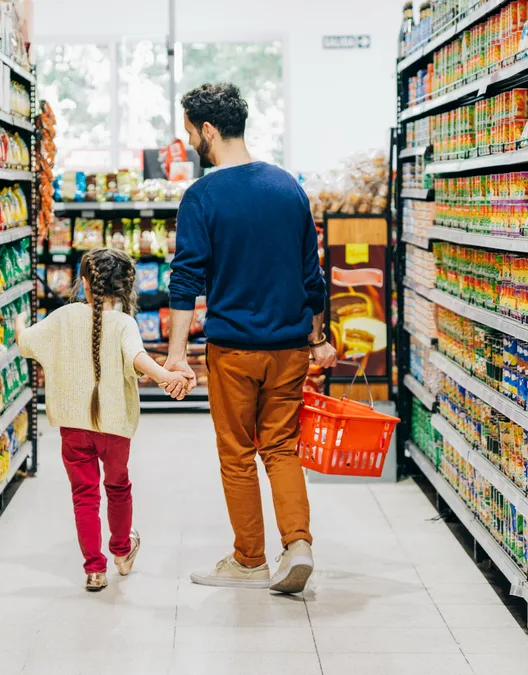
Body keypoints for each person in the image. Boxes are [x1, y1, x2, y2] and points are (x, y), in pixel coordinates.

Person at [166, 83, 337, 595]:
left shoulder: (203, 196)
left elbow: (186, 279)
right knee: (282, 447)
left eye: (191, 130)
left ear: (209, 130)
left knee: (238, 453)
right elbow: (313, 277)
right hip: (288, 349)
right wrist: (319, 336)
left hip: (234, 349)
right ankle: (299, 544)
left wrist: (176, 355)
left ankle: (249, 560)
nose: (190, 139)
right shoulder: (288, 186)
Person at [16, 248, 191, 592]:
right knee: (118, 487)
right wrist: (165, 378)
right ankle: (122, 553)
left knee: (84, 495)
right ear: (128, 286)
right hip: (114, 428)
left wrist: (20, 323)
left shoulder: (63, 317)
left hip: (73, 426)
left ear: (84, 283)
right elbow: (137, 358)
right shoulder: (125, 323)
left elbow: (26, 343)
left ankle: (94, 570)